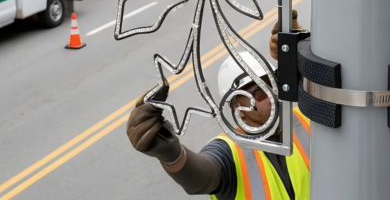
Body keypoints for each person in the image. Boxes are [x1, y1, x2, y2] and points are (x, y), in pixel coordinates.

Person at [127, 15, 310, 199]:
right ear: (238, 106)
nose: (272, 95)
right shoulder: (230, 151)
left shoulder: (306, 119)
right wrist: (170, 154)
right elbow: (199, 177)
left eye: (272, 84)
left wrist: (306, 51)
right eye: (259, 92)